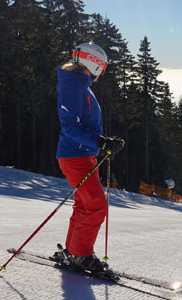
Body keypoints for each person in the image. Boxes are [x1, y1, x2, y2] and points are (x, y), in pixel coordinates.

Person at [54, 42, 123, 272]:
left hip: (82, 154)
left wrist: (102, 142)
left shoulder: (79, 85)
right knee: (96, 205)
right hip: (76, 156)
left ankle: (73, 250)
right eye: (101, 67)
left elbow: (83, 124)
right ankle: (81, 255)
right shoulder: (74, 86)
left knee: (85, 205)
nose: (101, 73)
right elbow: (70, 127)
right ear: (93, 64)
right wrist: (98, 142)